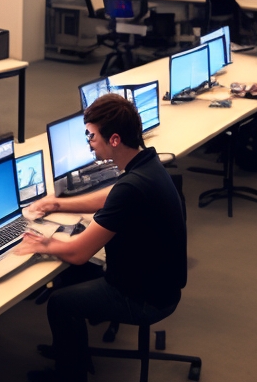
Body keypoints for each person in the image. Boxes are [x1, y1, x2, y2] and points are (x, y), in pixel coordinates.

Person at [14, 94, 187, 382]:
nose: (89, 143)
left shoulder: (131, 187)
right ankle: (73, 353)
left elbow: (78, 253)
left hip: (145, 298)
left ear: (114, 140)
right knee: (71, 277)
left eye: (92, 136)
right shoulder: (147, 164)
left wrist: (42, 242)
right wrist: (57, 204)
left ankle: (71, 375)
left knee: (60, 302)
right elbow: (111, 196)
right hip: (162, 283)